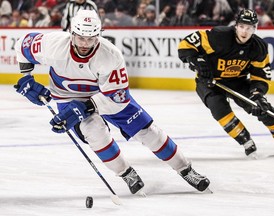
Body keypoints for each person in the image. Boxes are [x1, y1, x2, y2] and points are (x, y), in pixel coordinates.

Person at [14, 9, 210, 194]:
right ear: (71, 33)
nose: (84, 44)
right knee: (95, 133)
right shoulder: (52, 44)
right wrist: (26, 77)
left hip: (107, 97)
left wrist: (88, 105)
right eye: (80, 37)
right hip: (67, 97)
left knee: (149, 133)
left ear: (99, 35)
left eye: (90, 38)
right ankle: (126, 173)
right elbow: (22, 44)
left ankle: (185, 169)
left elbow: (118, 97)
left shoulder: (110, 55)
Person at [178, 9, 274, 157]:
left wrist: (257, 94)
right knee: (219, 109)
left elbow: (260, 76)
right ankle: (245, 141)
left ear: (255, 29)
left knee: (262, 108)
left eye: (249, 28)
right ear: (236, 26)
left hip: (238, 81)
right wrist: (197, 61)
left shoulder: (259, 47)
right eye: (242, 26)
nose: (244, 31)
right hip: (210, 82)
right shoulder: (219, 36)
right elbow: (185, 45)